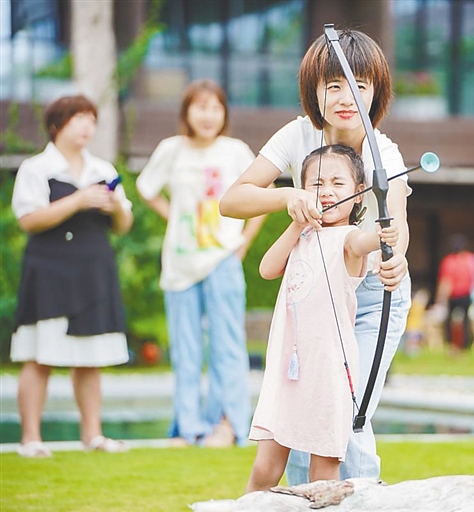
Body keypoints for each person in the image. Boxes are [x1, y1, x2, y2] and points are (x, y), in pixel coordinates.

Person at [219, 29, 411, 483]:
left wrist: (394, 255)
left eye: (360, 86)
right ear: (314, 89)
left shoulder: (383, 150)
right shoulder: (297, 133)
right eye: (335, 85)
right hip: (314, 308)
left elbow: (393, 222)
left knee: (347, 414)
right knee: (304, 418)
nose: (347, 97)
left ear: (376, 92)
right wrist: (289, 198)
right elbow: (233, 200)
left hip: (369, 299)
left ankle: (362, 498)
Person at [245, 144, 399, 492]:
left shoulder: (347, 238)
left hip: (328, 372)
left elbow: (361, 243)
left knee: (323, 476)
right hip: (288, 371)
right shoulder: (301, 235)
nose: (326, 191)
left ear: (359, 195)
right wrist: (296, 225)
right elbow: (267, 269)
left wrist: (382, 235)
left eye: (337, 183)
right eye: (316, 184)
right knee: (266, 467)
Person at [137, 80, 263, 448]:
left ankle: (228, 424)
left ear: (224, 113)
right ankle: (187, 427)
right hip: (180, 262)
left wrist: (243, 244)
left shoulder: (236, 151)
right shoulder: (171, 150)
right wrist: (174, 219)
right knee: (185, 347)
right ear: (186, 113)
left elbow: (262, 199)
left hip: (223, 258)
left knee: (228, 345)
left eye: (215, 108)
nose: (208, 116)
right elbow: (147, 190)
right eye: (200, 107)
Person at [11, 94, 134, 457]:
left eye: (91, 120)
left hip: (93, 269)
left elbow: (123, 224)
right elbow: (28, 220)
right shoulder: (36, 168)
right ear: (57, 124)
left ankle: (92, 435)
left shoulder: (103, 169)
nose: (86, 127)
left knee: (90, 357)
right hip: (49, 270)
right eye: (78, 118)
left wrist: (113, 206)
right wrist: (78, 200)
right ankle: (31, 438)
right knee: (40, 355)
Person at [435, 234, 474, 352]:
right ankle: (463, 345)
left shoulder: (449, 261)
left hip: (454, 295)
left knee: (449, 321)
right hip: (466, 294)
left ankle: (452, 345)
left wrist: (440, 298)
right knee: (466, 321)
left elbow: (445, 282)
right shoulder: (471, 259)